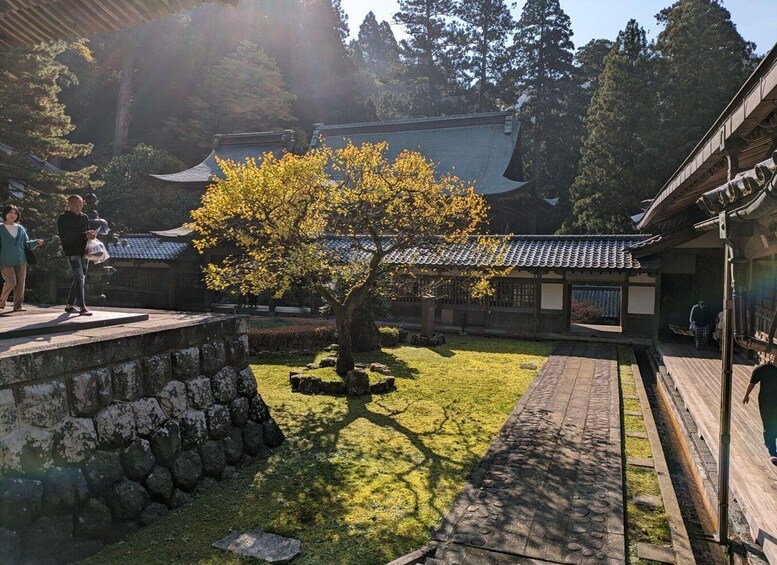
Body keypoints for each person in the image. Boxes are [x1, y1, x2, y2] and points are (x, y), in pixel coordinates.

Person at [0, 205, 44, 311]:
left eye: (15, 213)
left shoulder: (20, 228)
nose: (12, 215)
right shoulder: (0, 228)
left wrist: (36, 243)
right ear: (5, 214)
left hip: (21, 260)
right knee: (11, 282)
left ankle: (18, 306)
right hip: (6, 260)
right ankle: (1, 301)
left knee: (20, 284)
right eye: (10, 212)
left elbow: (25, 244)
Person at [57, 195, 96, 316]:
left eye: (81, 205)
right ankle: (82, 306)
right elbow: (66, 236)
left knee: (79, 277)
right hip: (71, 251)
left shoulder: (85, 217)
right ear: (70, 204)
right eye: (76, 205)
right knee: (80, 278)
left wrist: (91, 235)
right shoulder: (63, 218)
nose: (79, 208)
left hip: (84, 251)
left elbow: (87, 232)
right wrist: (84, 235)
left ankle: (69, 305)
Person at [742, 355, 777, 467]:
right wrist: (746, 395)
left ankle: (769, 441)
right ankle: (772, 451)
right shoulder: (762, 369)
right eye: (775, 357)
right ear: (772, 357)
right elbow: (752, 383)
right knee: (769, 424)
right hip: (766, 401)